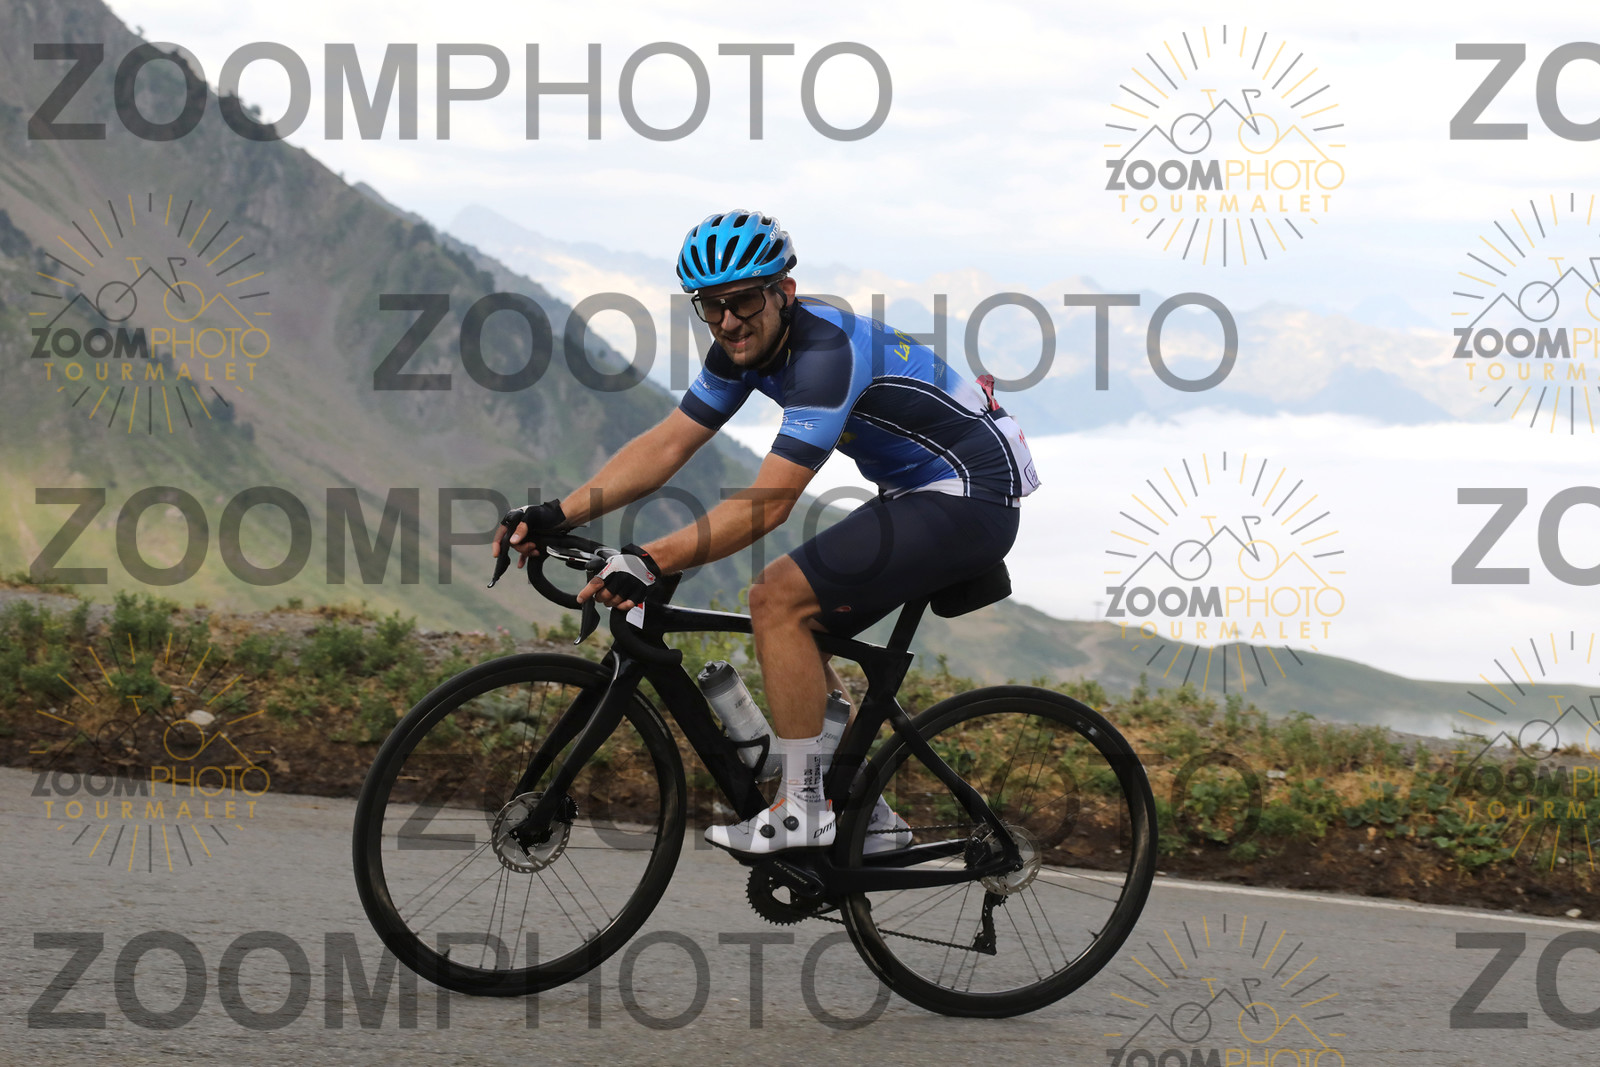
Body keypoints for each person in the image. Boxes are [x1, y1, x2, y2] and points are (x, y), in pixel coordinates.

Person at [494, 210, 1039, 855]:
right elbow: (669, 445)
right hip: (917, 491)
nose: (728, 321)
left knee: (777, 600)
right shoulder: (740, 350)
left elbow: (768, 505)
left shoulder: (825, 356)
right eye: (711, 306)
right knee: (795, 633)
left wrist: (649, 559)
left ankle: (803, 809)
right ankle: (867, 815)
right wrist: (557, 515)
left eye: (744, 300)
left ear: (784, 291)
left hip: (970, 492)